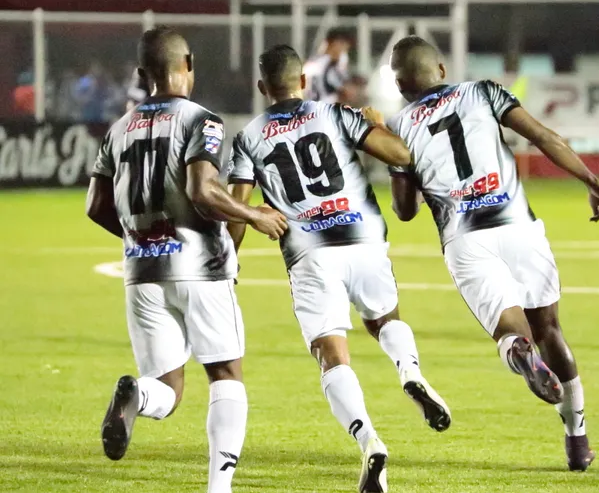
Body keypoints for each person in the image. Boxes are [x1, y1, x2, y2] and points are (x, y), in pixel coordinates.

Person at [369, 35, 599, 472]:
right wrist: (591, 182)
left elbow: (405, 211)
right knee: (551, 328)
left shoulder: (397, 128)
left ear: (400, 84)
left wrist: (405, 167)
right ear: (441, 70)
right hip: (518, 225)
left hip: (465, 238)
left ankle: (519, 350)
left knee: (511, 330)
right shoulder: (482, 91)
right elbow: (544, 136)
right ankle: (578, 441)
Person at [225, 45, 450, 493]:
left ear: (261, 87)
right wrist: (379, 125)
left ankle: (369, 442)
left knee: (331, 354)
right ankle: (410, 371)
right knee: (385, 319)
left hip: (310, 253)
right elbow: (401, 155)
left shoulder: (249, 136)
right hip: (363, 238)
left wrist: (229, 259)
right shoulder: (335, 114)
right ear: (302, 81)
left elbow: (239, 209)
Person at [86, 26, 288, 493]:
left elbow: (96, 207)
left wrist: (144, 236)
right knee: (225, 374)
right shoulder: (204, 120)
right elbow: (202, 190)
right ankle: (219, 489)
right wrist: (253, 214)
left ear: (142, 74)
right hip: (200, 267)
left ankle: (136, 395)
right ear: (189, 64)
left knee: (167, 391)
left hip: (141, 273)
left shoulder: (117, 130)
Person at [304, 27, 353, 103]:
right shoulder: (329, 64)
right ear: (335, 44)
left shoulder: (312, 63)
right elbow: (346, 91)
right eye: (343, 46)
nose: (344, 51)